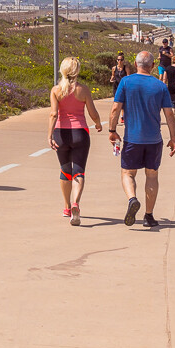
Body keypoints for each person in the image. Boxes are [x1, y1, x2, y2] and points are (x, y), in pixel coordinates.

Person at [108, 51, 175, 229]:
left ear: (135, 63)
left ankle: (132, 199)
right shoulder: (160, 86)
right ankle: (149, 216)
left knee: (128, 173)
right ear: (153, 66)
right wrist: (173, 137)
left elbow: (116, 108)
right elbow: (169, 113)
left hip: (133, 139)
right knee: (152, 175)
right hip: (154, 139)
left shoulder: (126, 82)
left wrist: (112, 130)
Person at [48, 57, 103, 226]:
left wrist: (49, 135)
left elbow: (53, 114)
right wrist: (98, 123)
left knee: (65, 170)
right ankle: (75, 203)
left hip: (61, 133)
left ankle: (66, 207)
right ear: (77, 71)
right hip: (80, 133)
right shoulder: (83, 90)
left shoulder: (56, 90)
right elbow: (92, 112)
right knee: (79, 170)